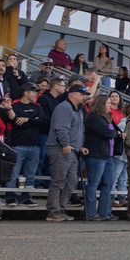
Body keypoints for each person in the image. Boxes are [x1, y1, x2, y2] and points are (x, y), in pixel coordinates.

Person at [46, 84, 87, 221]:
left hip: (73, 150)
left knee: (71, 181)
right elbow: (61, 128)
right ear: (74, 94)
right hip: (60, 148)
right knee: (58, 180)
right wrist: (65, 144)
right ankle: (53, 211)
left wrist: (80, 146)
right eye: (82, 95)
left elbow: (78, 131)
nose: (83, 98)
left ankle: (61, 208)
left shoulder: (78, 110)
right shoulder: (64, 108)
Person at [4, 83, 46, 207]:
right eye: (33, 92)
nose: (35, 94)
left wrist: (28, 120)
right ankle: (10, 196)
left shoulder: (37, 106)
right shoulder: (15, 106)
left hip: (35, 145)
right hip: (19, 144)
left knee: (30, 174)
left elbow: (43, 121)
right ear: (26, 92)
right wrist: (34, 120)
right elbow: (16, 123)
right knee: (13, 173)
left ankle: (26, 196)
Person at [83, 95, 118, 221]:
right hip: (96, 154)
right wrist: (117, 133)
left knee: (108, 184)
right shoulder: (94, 118)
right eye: (108, 103)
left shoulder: (106, 118)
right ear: (101, 104)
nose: (110, 105)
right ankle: (91, 213)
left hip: (107, 154)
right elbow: (108, 133)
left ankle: (105, 212)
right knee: (93, 183)